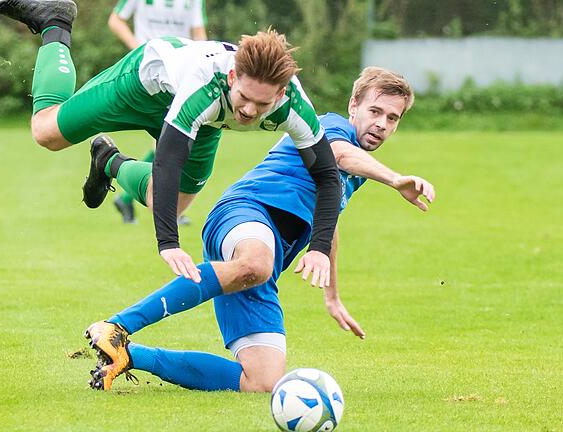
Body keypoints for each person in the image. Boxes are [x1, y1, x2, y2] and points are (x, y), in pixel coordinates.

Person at [84, 66, 436, 392]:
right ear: (354, 105)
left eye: (392, 118)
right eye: (375, 112)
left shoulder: (359, 171)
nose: (382, 124)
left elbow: (327, 224)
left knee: (263, 380)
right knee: (256, 262)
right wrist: (394, 178)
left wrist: (332, 296)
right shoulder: (330, 126)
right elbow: (338, 154)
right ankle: (117, 325)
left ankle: (130, 355)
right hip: (245, 212)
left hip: (265, 258)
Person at [0, 0, 342, 288]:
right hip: (141, 85)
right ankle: (56, 21)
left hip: (206, 122)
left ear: (281, 94)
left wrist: (320, 247)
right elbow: (168, 162)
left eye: (263, 104)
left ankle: (109, 162)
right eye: (245, 97)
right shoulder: (205, 84)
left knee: (169, 205)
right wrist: (169, 244)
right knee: (45, 133)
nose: (249, 111)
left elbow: (327, 176)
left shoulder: (295, 105)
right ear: (233, 76)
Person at [107, 0, 209, 224]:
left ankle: (144, 201)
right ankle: (167, 206)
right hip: (151, 73)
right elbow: (116, 20)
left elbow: (198, 31)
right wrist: (138, 48)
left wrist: (206, 63)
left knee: (169, 142)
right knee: (172, 141)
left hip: (183, 74)